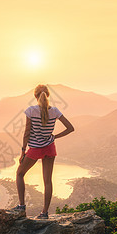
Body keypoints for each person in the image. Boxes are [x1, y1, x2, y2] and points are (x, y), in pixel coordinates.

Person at [13, 84, 74, 219]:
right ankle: (44, 213)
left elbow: (27, 132)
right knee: (47, 181)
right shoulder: (55, 111)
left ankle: (22, 207)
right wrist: (54, 136)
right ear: (48, 95)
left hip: (35, 149)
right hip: (49, 147)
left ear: (35, 96)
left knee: (20, 174)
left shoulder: (31, 111)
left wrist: (23, 151)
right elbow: (70, 128)